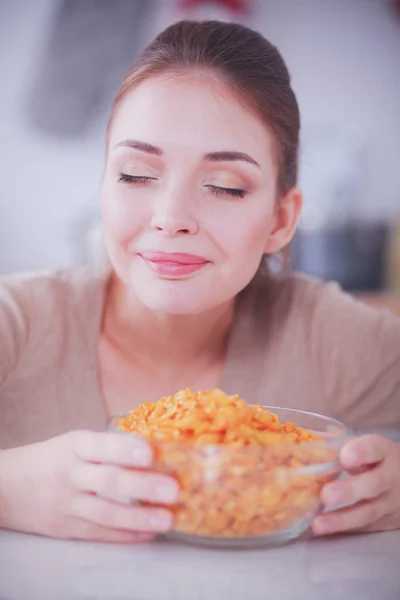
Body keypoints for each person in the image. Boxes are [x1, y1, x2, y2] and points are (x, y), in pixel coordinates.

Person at [0, 20, 399, 544]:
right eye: (136, 175)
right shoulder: (18, 323)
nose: (171, 217)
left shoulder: (331, 338)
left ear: (281, 220)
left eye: (224, 186)